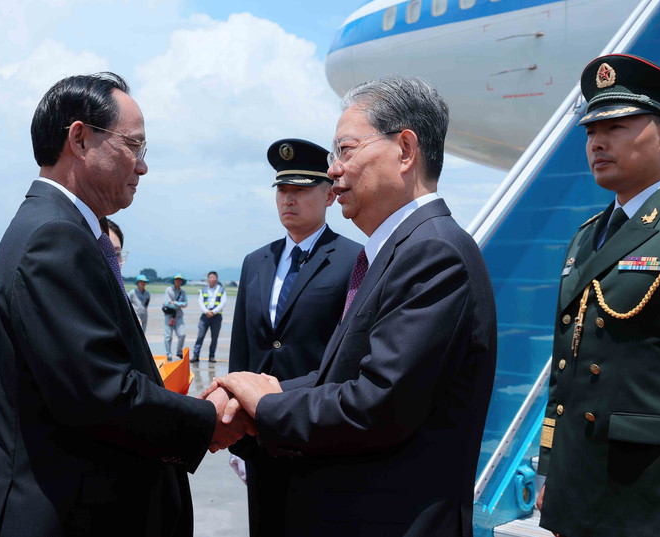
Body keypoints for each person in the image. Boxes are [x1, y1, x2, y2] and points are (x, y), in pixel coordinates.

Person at [0, 73, 251, 537]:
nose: (142, 167)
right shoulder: (54, 237)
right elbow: (99, 394)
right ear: (79, 139)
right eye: (134, 146)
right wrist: (208, 421)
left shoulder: (61, 228)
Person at [213, 76, 498, 536]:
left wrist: (265, 405)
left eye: (345, 151)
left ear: (405, 150)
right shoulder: (396, 250)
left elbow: (376, 403)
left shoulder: (434, 252)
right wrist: (258, 391)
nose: (334, 171)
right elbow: (341, 376)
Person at [536, 54, 660, 537]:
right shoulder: (584, 237)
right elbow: (565, 368)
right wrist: (552, 464)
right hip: (578, 483)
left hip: (646, 491)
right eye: (591, 130)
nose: (597, 142)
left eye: (618, 126)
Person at [227, 138, 361, 536]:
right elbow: (242, 351)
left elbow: (348, 353)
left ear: (329, 195)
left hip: (316, 432)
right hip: (259, 436)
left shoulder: (354, 259)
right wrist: (237, 433)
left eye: (301, 190)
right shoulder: (256, 261)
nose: (289, 199)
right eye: (283, 190)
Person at [191, 271, 227, 363]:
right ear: (208, 279)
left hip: (216, 316)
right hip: (205, 315)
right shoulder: (203, 290)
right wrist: (207, 311)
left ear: (216, 279)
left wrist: (214, 312)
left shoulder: (222, 290)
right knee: (200, 335)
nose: (212, 279)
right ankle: (196, 355)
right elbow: (200, 301)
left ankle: (212, 356)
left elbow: (223, 303)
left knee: (214, 337)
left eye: (213, 277)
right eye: (210, 277)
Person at [163, 274, 188, 361]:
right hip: (169, 315)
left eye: (180, 280)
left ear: (182, 282)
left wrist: (175, 303)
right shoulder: (168, 290)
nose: (178, 281)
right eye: (177, 279)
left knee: (182, 334)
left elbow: (185, 303)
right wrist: (178, 304)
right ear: (173, 281)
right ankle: (168, 353)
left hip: (179, 315)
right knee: (168, 336)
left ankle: (179, 351)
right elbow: (167, 303)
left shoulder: (183, 292)